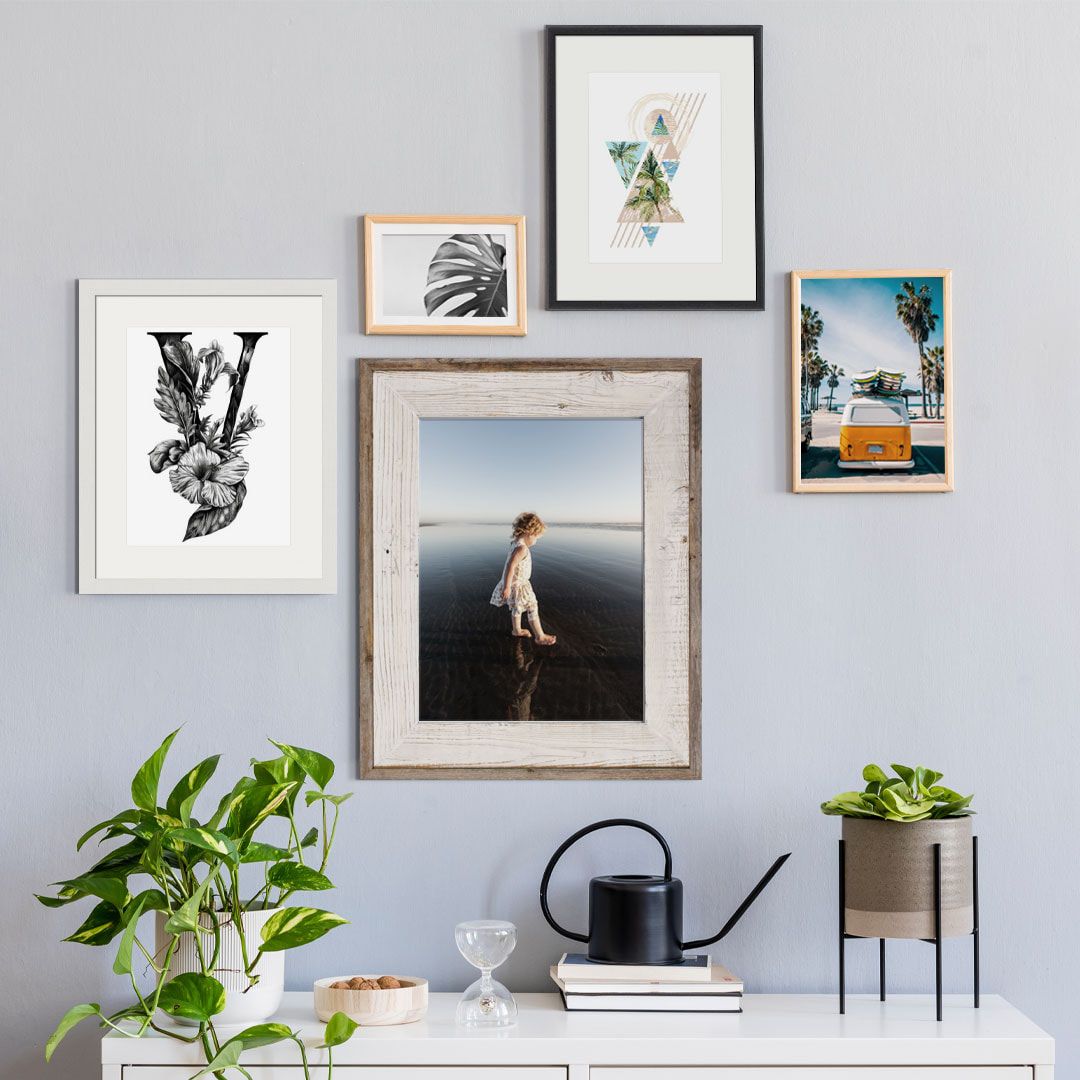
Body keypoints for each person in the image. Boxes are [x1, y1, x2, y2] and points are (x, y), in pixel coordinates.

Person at [489, 511, 557, 645]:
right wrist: (507, 587)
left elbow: (510, 565)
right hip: (520, 585)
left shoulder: (515, 543)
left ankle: (516, 630)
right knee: (532, 606)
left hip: (514, 584)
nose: (536, 541)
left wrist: (508, 585)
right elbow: (510, 566)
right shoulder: (522, 549)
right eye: (536, 537)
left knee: (517, 608)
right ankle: (540, 636)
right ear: (528, 532)